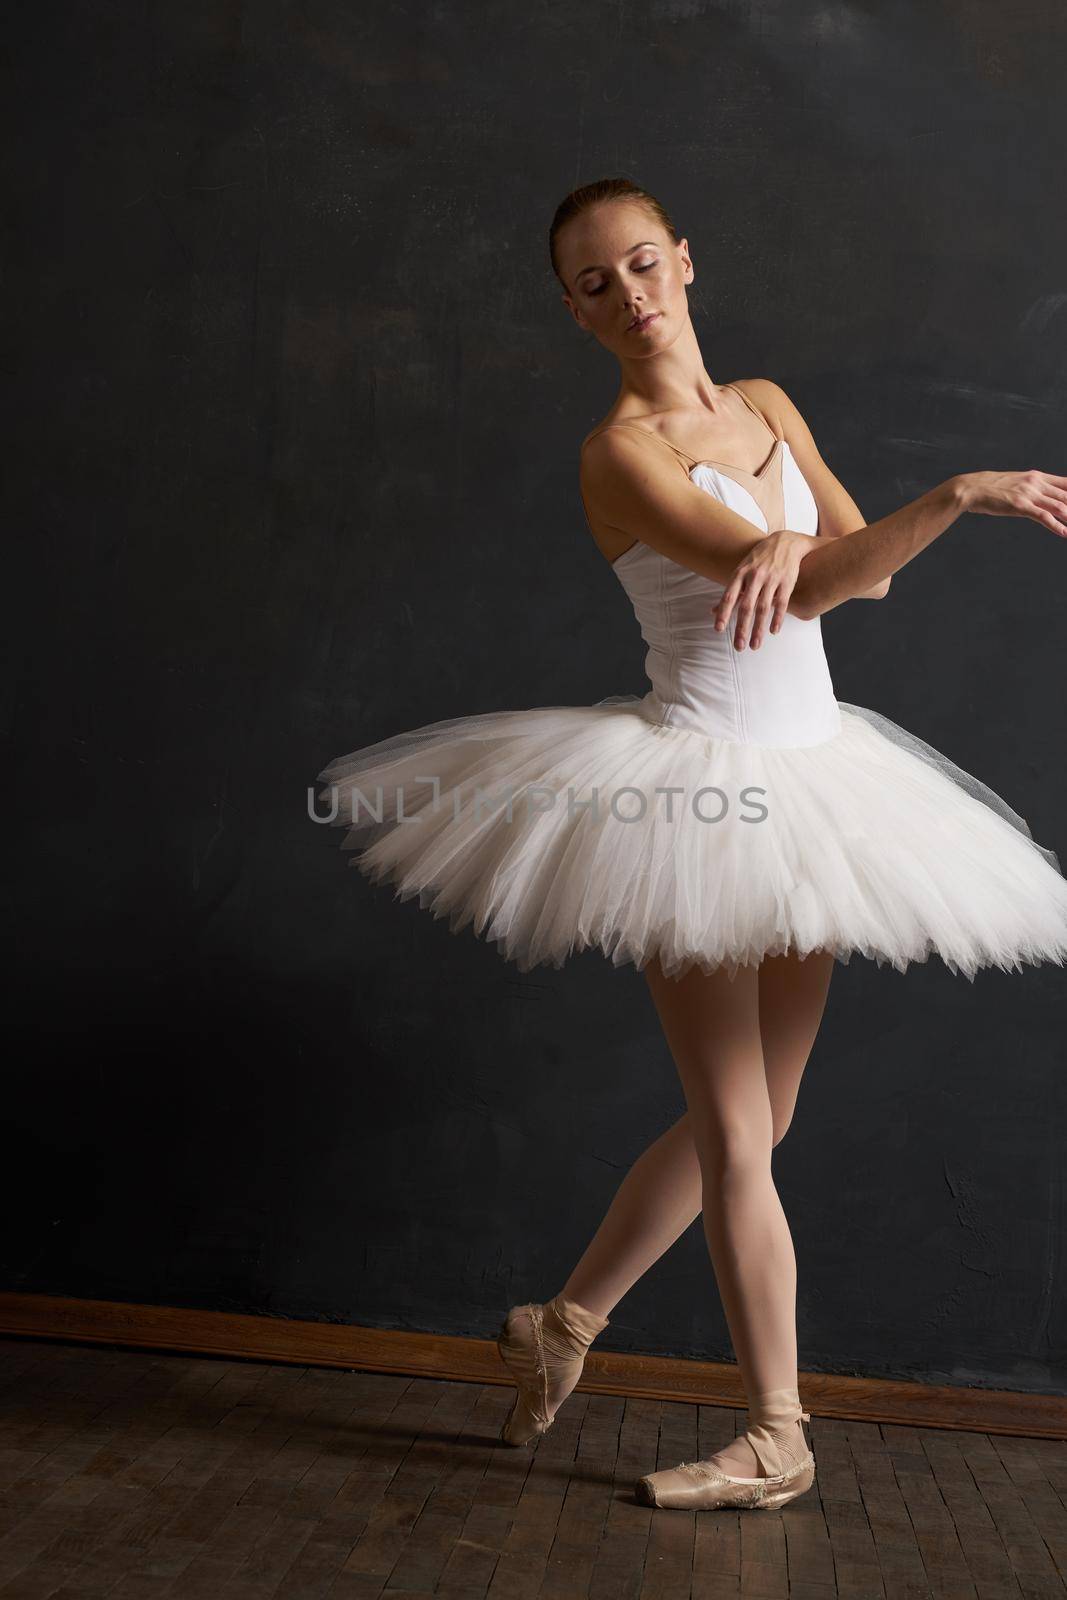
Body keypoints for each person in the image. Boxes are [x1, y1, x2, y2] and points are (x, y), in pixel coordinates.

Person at [314, 177, 1067, 1513]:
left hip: (817, 785)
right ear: (574, 310)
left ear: (686, 264)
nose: (631, 297)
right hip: (691, 806)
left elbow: (858, 571)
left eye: (644, 264)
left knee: (766, 1116)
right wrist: (954, 492)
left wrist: (837, 541)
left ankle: (566, 1322)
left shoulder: (766, 406)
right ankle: (779, 1433)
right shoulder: (621, 457)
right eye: (596, 284)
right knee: (736, 1130)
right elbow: (821, 575)